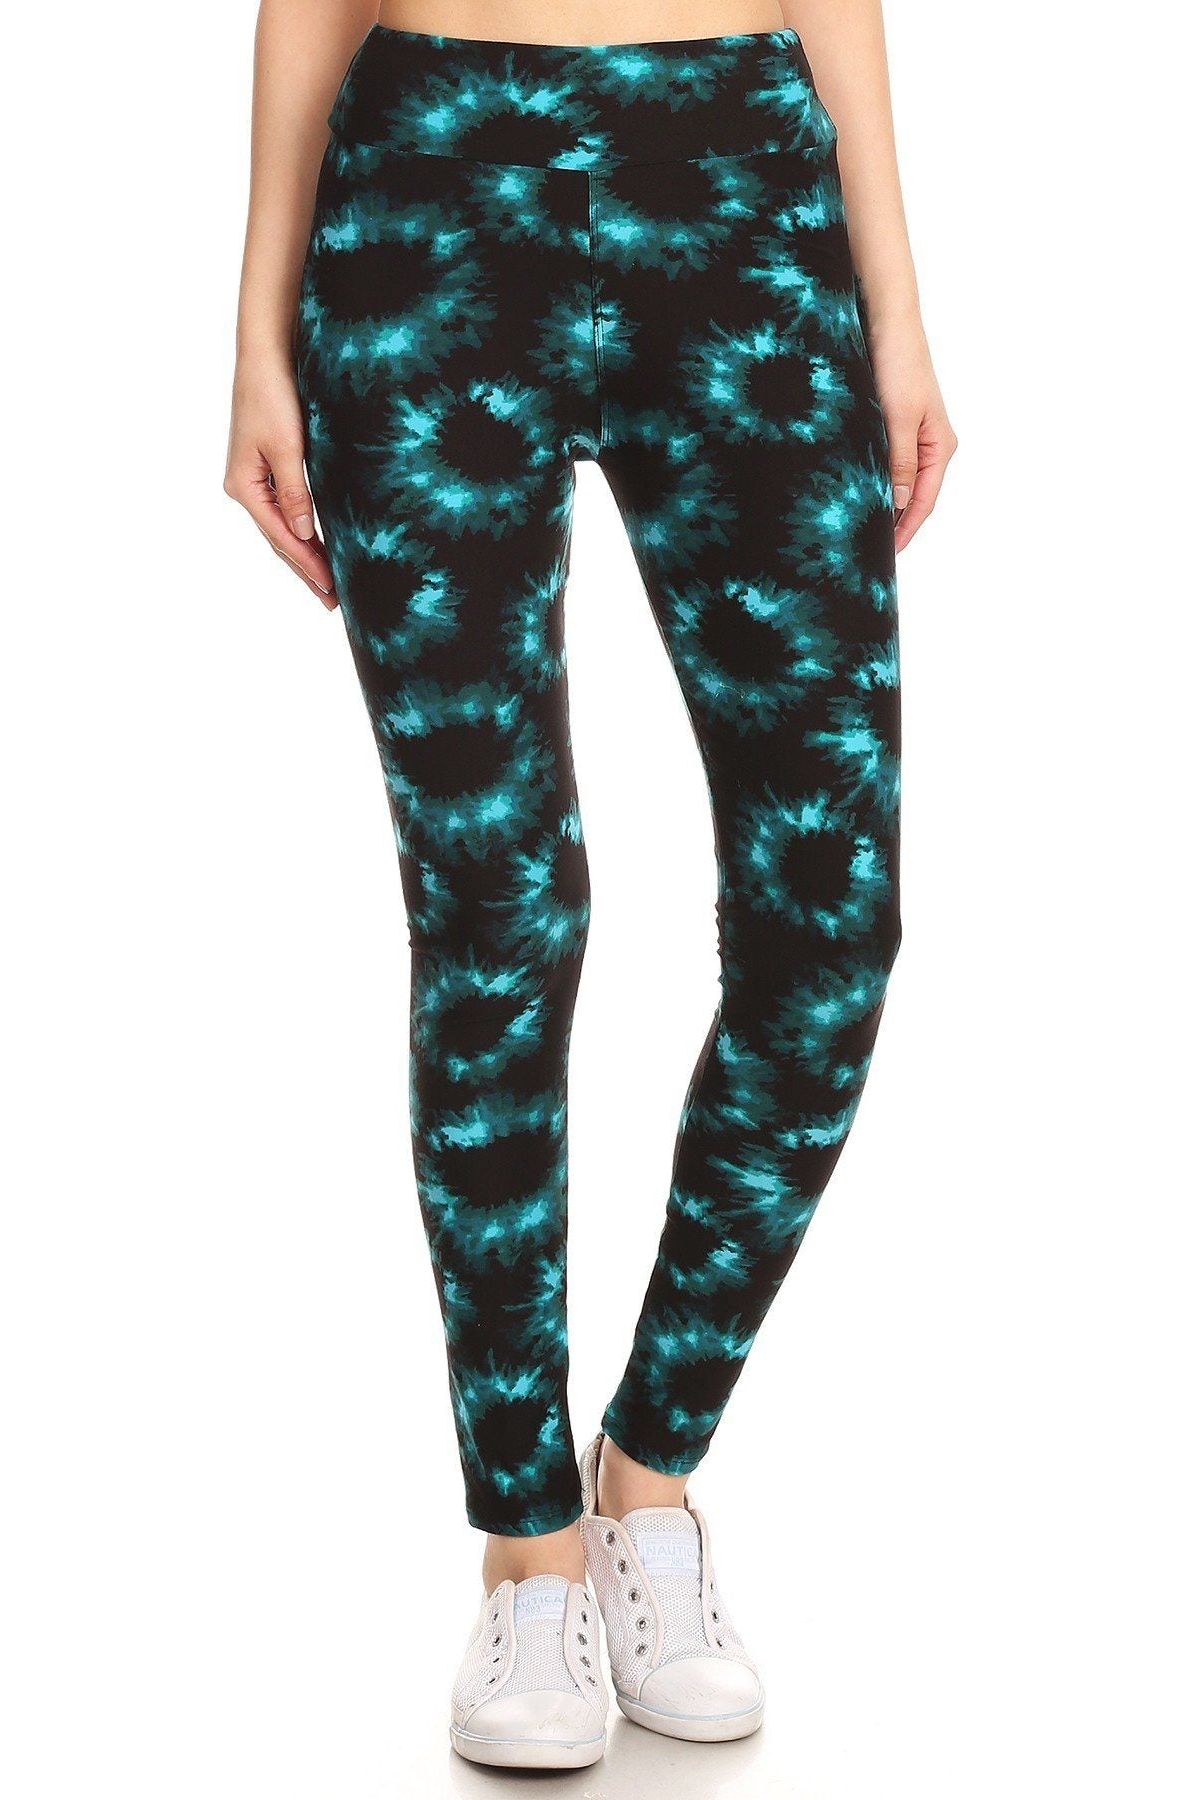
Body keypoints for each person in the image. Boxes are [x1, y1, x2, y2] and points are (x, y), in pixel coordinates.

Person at [225, 0, 955, 1768]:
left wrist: (897, 304)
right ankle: (530, 1548)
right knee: (498, 917)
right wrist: (255, 321)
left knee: (829, 920)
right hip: (429, 193)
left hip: (741, 183)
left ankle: (650, 1473)